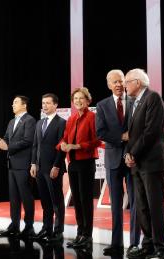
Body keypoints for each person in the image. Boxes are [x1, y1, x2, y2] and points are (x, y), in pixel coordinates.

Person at [123, 68, 164, 259]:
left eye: (127, 81)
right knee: (142, 206)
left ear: (137, 82)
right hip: (137, 163)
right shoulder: (135, 102)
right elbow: (131, 135)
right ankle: (148, 244)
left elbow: (151, 132)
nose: (124, 85)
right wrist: (128, 153)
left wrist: (132, 152)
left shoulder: (153, 98)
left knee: (154, 205)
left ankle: (161, 246)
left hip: (152, 162)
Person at [96, 69, 141, 256]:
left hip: (133, 159)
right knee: (115, 205)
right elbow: (101, 132)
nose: (118, 84)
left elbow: (140, 129)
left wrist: (131, 147)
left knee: (136, 203)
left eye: (120, 81)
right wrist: (121, 136)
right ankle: (116, 244)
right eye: (114, 81)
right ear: (108, 85)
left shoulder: (135, 101)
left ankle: (134, 244)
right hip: (113, 160)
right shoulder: (102, 105)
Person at [57, 87, 101, 249]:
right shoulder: (71, 118)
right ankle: (80, 233)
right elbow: (65, 138)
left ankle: (87, 236)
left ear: (88, 100)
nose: (78, 101)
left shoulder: (92, 117)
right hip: (73, 163)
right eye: (75, 99)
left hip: (86, 161)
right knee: (77, 200)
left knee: (85, 199)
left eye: (81, 98)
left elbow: (97, 140)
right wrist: (62, 144)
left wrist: (77, 146)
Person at [0, 95, 36, 239]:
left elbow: (28, 141)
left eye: (15, 102)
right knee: (13, 198)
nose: (12, 105)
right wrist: (3, 143)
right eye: (13, 102)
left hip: (23, 165)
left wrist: (8, 146)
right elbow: (7, 137)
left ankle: (29, 226)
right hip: (11, 164)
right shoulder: (12, 121)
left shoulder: (29, 120)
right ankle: (14, 225)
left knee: (26, 197)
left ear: (24, 105)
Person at [30, 93, 66, 243]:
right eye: (43, 103)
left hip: (53, 168)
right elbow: (35, 146)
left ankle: (58, 232)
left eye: (48, 103)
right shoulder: (39, 123)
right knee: (45, 201)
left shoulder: (61, 122)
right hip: (39, 168)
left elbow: (62, 147)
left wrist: (57, 165)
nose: (44, 106)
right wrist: (33, 163)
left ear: (55, 105)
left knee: (56, 201)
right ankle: (47, 228)